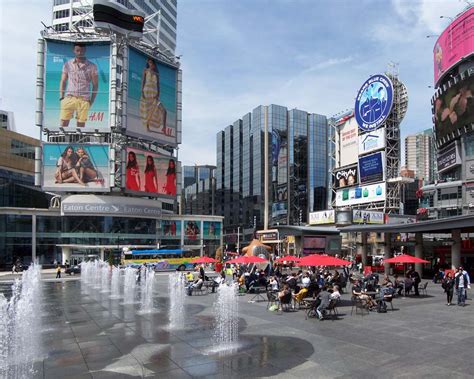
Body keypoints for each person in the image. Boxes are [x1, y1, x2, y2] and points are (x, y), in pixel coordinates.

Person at [59, 43, 98, 128]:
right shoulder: (67, 64)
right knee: (63, 122)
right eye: (77, 50)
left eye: (82, 50)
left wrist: (91, 100)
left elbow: (95, 85)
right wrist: (61, 97)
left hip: (84, 99)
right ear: (74, 51)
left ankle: (79, 140)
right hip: (69, 97)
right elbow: (63, 80)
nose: (80, 53)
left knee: (81, 124)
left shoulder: (92, 66)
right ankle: (61, 139)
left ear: (85, 50)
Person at [140, 58, 167, 133]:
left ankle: (164, 128)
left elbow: (158, 85)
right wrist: (142, 92)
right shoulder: (145, 70)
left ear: (154, 64)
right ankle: (147, 127)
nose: (150, 64)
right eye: (149, 63)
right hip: (147, 92)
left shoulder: (157, 74)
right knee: (148, 111)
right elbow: (143, 81)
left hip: (154, 95)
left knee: (164, 110)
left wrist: (158, 94)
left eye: (152, 63)